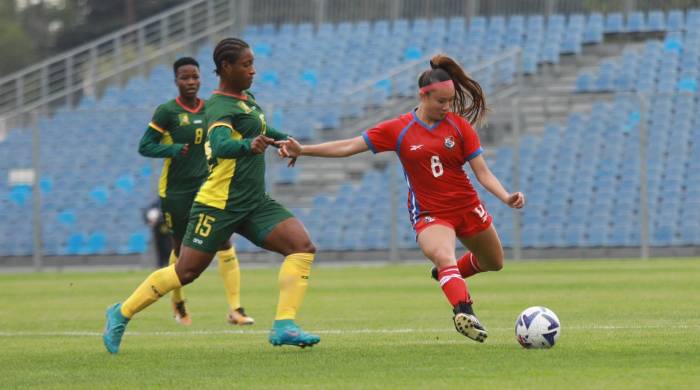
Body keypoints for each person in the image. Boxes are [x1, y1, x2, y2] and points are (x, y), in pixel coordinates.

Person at [277, 54, 525, 343]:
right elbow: (348, 146)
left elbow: (483, 173)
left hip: (468, 207)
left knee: (494, 262)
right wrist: (303, 149)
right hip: (432, 214)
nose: (447, 107)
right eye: (441, 101)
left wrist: (507, 197)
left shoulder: (459, 127)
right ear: (423, 95)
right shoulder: (398, 129)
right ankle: (463, 310)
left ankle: (447, 275)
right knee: (444, 254)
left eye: (450, 101)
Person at [103, 39, 319, 354]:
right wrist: (249, 145)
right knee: (185, 272)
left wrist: (284, 140)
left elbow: (261, 126)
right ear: (227, 68)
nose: (253, 70)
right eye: (246, 65)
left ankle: (284, 325)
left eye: (253, 63)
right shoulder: (219, 107)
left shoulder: (246, 100)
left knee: (302, 247)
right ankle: (121, 312)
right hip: (218, 204)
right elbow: (220, 145)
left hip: (253, 202)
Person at [137, 57, 254, 327]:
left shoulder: (211, 109)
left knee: (224, 240)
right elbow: (145, 146)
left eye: (195, 77)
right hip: (176, 192)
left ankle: (235, 309)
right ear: (176, 81)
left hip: (207, 187)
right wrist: (172, 149)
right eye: (184, 78)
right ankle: (178, 301)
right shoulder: (167, 112)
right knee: (181, 250)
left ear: (201, 78)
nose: (191, 82)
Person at [143, 198, 172, 268]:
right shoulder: (156, 203)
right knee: (160, 248)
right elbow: (147, 213)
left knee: (169, 248)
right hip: (158, 230)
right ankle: (160, 265)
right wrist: (150, 221)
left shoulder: (170, 201)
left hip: (169, 229)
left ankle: (169, 264)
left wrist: (160, 218)